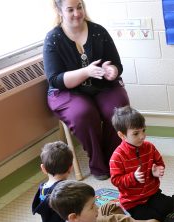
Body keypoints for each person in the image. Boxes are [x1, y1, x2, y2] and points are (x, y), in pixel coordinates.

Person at [32, 141, 174, 222]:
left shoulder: (43, 189)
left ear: (43, 168)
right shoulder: (66, 190)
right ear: (70, 168)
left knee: (108, 206)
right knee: (118, 219)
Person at [43, 0, 129, 180]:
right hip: (67, 92)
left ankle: (114, 158)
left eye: (79, 7)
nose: (77, 13)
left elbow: (116, 64)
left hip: (102, 86)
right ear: (59, 11)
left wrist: (112, 71)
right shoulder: (53, 39)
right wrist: (86, 72)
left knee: (118, 110)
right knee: (83, 113)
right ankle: (98, 164)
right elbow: (56, 80)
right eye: (70, 9)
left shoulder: (98, 31)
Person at [110, 106, 174, 222]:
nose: (142, 136)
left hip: (152, 193)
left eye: (143, 130)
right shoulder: (117, 157)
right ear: (122, 135)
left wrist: (158, 169)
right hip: (133, 202)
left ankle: (171, 202)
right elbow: (116, 180)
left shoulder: (149, 147)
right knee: (154, 218)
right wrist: (133, 177)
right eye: (136, 133)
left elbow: (159, 162)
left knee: (164, 206)